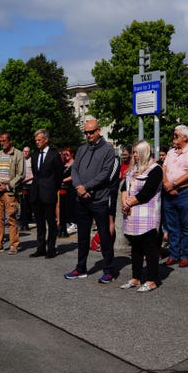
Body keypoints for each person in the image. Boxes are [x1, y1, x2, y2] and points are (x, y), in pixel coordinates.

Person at [65, 119, 117, 283]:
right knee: (82, 236)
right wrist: (79, 187)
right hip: (82, 199)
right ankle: (81, 268)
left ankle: (108, 270)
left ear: (98, 131)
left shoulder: (108, 150)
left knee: (104, 235)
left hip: (99, 199)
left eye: (91, 132)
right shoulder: (81, 149)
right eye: (86, 132)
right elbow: (74, 170)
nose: (88, 135)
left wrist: (87, 188)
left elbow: (105, 174)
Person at [120, 141, 163, 292]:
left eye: (137, 152)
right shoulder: (133, 169)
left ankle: (152, 279)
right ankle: (136, 277)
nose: (134, 155)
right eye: (134, 152)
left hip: (147, 215)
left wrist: (129, 203)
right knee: (136, 248)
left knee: (149, 248)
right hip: (133, 214)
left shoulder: (155, 170)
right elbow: (123, 187)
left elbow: (147, 193)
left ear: (145, 152)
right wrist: (124, 201)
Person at [161, 125, 188, 267]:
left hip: (185, 192)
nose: (173, 138)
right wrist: (167, 184)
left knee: (186, 225)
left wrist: (174, 184)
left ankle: (186, 255)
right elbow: (164, 169)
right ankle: (173, 254)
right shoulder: (171, 152)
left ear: (185, 137)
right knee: (172, 225)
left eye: (176, 135)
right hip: (169, 192)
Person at [29, 129, 64, 258]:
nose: (37, 142)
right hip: (36, 193)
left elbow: (59, 174)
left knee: (51, 222)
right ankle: (40, 247)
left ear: (46, 140)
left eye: (39, 140)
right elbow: (35, 172)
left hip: (49, 192)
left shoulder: (54, 155)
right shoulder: (34, 155)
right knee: (39, 223)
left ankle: (51, 248)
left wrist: (53, 187)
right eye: (36, 140)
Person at [0, 131, 24, 254]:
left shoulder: (18, 154)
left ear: (10, 141)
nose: (2, 143)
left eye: (4, 141)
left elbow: (21, 175)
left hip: (10, 193)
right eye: (0, 141)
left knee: (12, 219)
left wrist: (7, 186)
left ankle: (14, 244)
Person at [58, 146, 77, 237]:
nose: (66, 155)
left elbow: (74, 176)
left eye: (67, 153)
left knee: (71, 205)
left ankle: (73, 222)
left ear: (72, 153)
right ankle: (65, 223)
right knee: (63, 206)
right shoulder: (63, 163)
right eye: (64, 154)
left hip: (71, 187)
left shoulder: (75, 163)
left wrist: (63, 180)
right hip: (62, 188)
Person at [19, 146, 33, 231]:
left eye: (27, 151)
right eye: (24, 151)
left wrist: (26, 180)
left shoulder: (32, 160)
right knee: (23, 205)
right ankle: (24, 223)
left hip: (30, 184)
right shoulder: (20, 161)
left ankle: (30, 218)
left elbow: (35, 173)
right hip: (22, 185)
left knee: (30, 204)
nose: (25, 153)